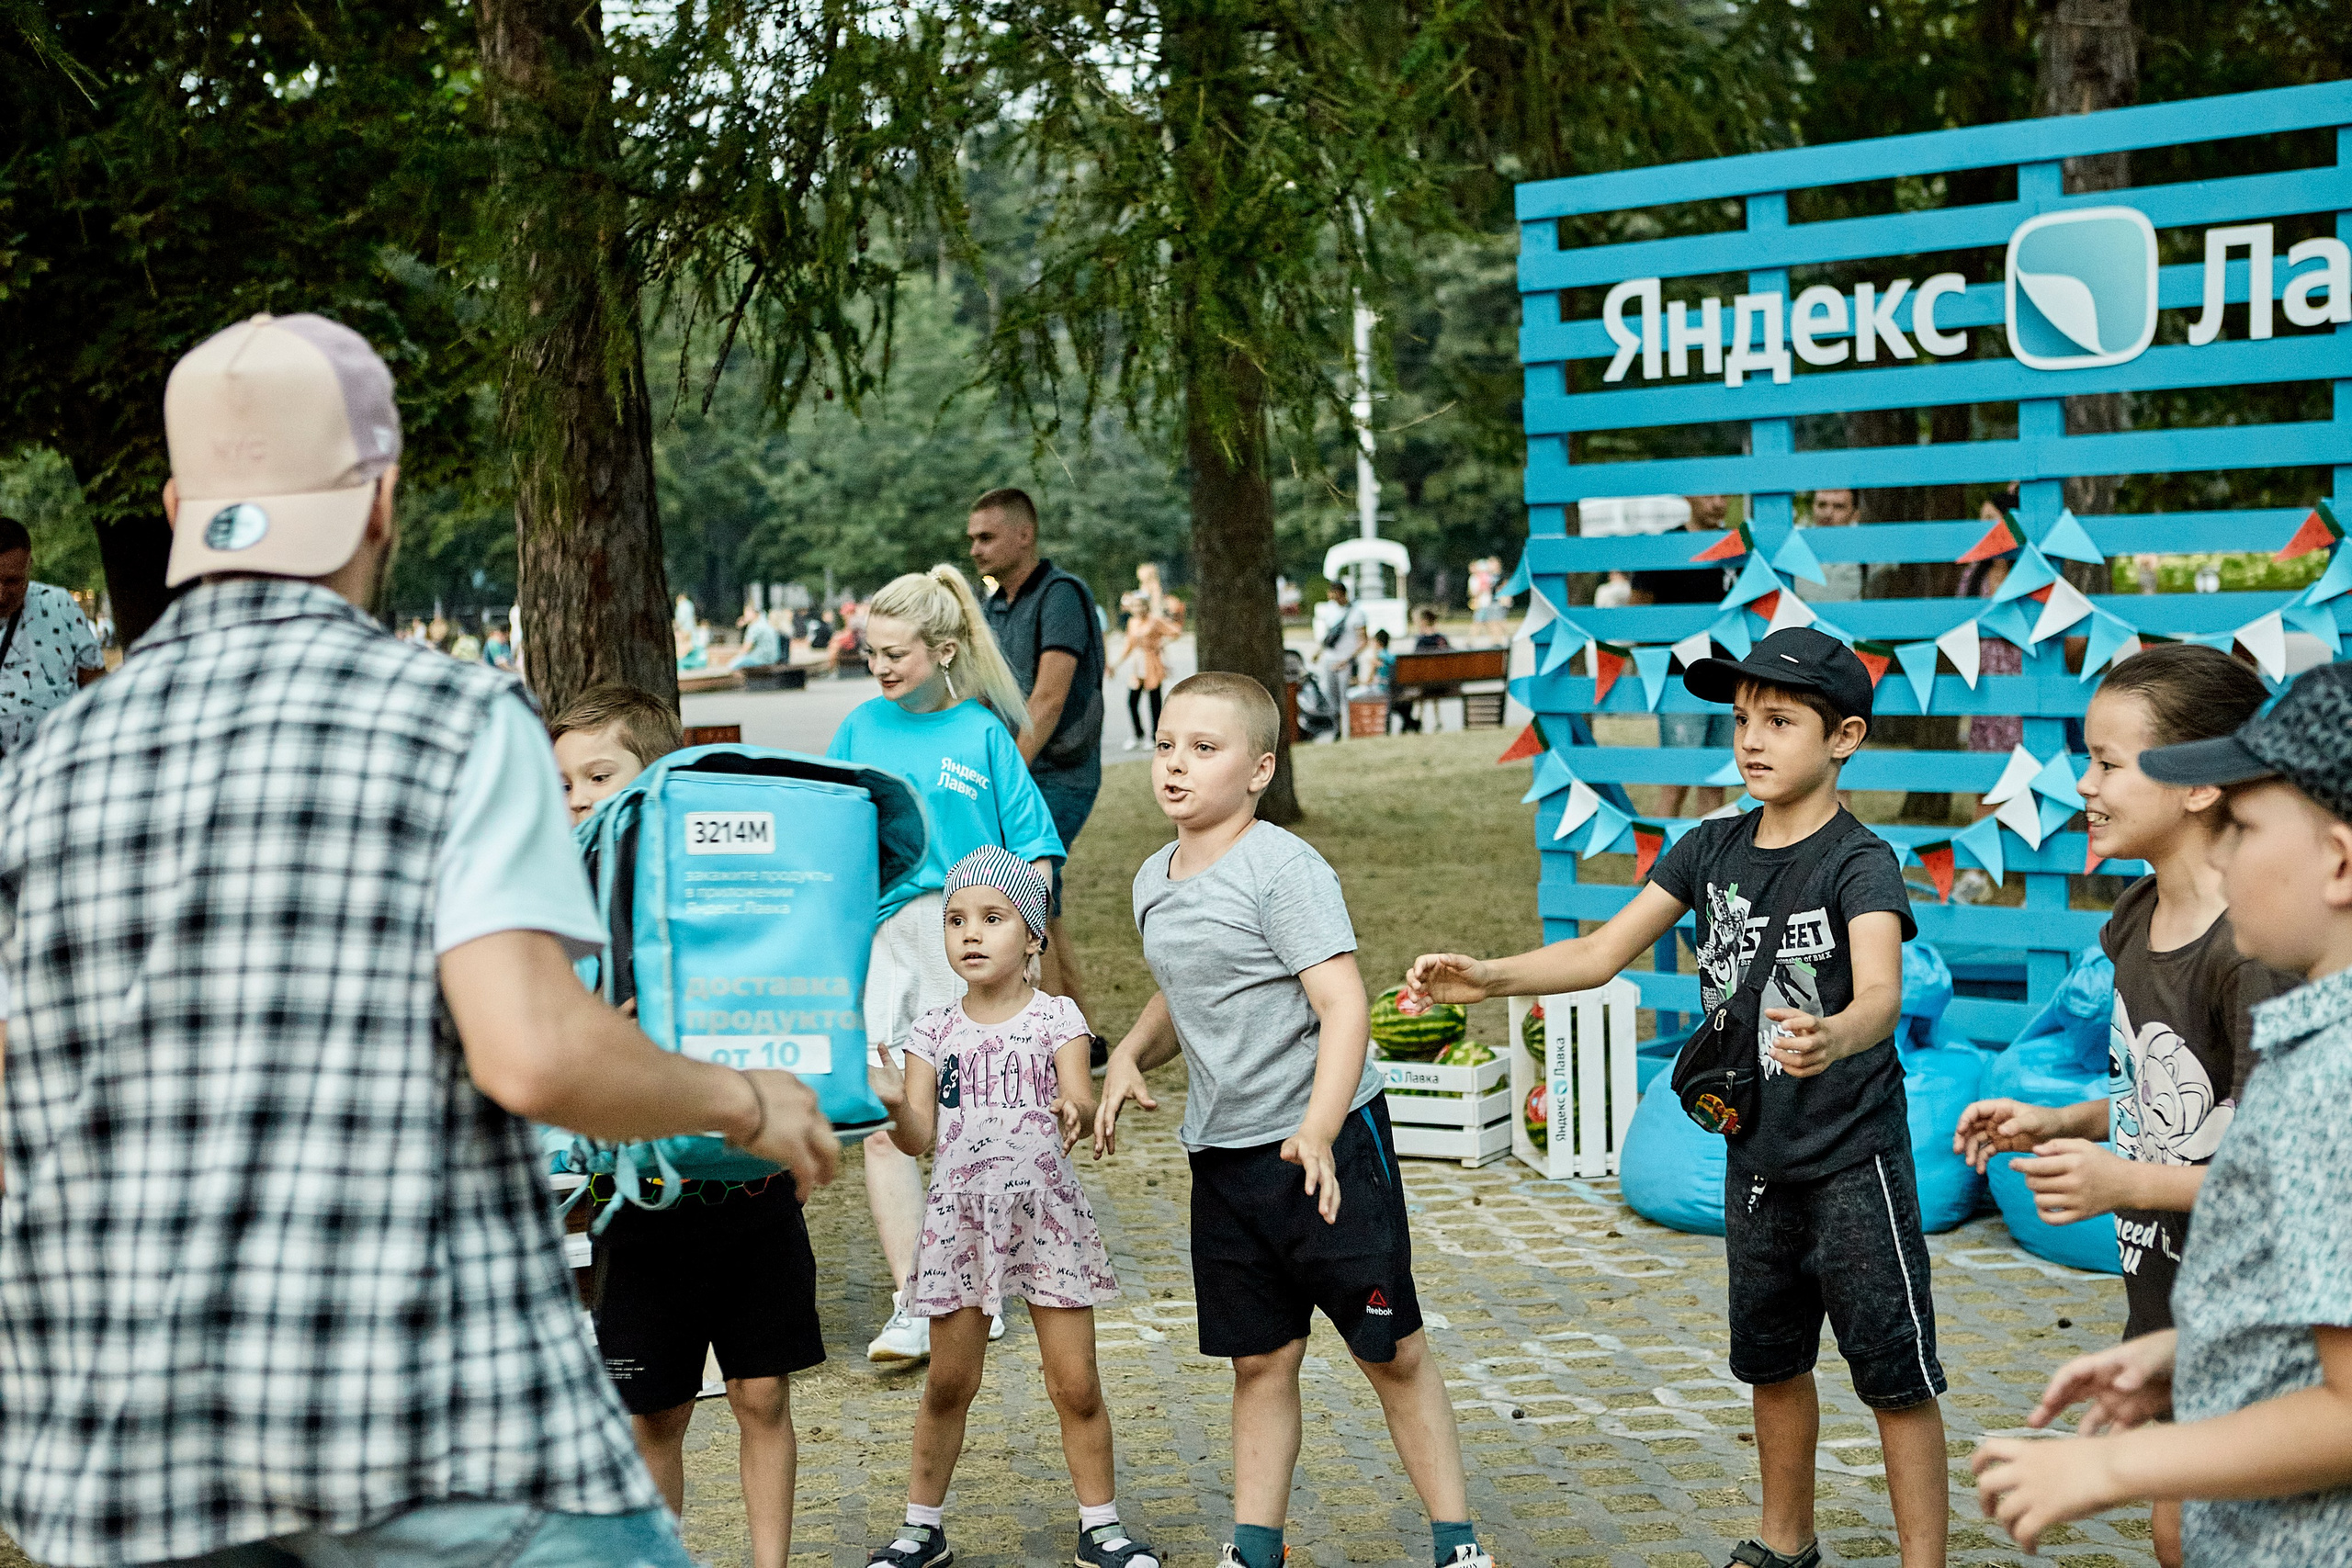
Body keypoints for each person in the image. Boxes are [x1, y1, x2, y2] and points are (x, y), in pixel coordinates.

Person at [0, 310, 838, 1568]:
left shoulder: (54, 759)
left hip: (124, 1448)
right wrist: (744, 1100)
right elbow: (536, 1048)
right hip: (430, 1424)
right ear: (380, 500)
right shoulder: (448, 715)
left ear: (180, 505)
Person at [1404, 626, 1943, 1568]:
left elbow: (1882, 993)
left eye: (1778, 720)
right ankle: (1784, 1546)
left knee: (1892, 1376)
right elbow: (1599, 951)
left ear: (1844, 736)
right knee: (1770, 1363)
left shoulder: (1861, 863)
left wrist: (1836, 1034)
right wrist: (1487, 978)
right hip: (1756, 1159)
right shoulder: (1707, 846)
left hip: (1854, 1157)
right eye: (1740, 720)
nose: (1751, 739)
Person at [1094, 672, 1491, 1568]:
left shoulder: (1284, 869)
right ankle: (1254, 1549)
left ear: (1259, 768)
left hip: (1328, 1149)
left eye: (1204, 749)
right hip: (1224, 1164)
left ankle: (1459, 1545)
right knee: (1260, 1362)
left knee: (1389, 1352)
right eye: (1165, 745)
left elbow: (1343, 1005)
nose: (1175, 766)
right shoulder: (1152, 880)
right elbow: (1187, 986)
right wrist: (1127, 1053)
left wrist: (1316, 1127)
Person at [1972, 660, 2352, 1563]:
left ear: (2338, 862)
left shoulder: (2326, 1080)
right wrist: (2185, 1351)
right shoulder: (2316, 1051)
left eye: (2245, 828)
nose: (2219, 854)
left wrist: (2108, 1471)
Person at [548, 683, 821, 1568]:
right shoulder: (560, 900)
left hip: (750, 1184)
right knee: (652, 1408)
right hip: (638, 1199)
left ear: (658, 776)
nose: (582, 796)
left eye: (601, 773)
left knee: (761, 1393)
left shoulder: (724, 886)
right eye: (564, 782)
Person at [867, 849, 1148, 1568]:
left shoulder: (1060, 1016)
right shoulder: (932, 1028)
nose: (970, 933)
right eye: (957, 919)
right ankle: (921, 1527)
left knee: (1076, 1383)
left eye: (993, 918)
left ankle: (1101, 1526)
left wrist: (1077, 1106)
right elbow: (921, 1136)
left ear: (1032, 937)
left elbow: (1077, 1096)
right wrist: (897, 1101)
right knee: (948, 1383)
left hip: (1046, 1220)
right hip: (959, 1225)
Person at [827, 565, 1067, 1366]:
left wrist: (1012, 943)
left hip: (964, 943)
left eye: (898, 653)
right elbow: (829, 837)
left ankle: (979, 1290)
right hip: (883, 945)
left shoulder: (984, 735)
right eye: (871, 653)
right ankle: (913, 1299)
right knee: (886, 1125)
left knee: (969, 1127)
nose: (882, 667)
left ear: (947, 649)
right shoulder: (859, 729)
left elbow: (1036, 853)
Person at [968, 488, 1107, 1052]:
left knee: (1025, 892)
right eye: (972, 538)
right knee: (1038, 898)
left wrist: (1008, 777)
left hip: (1057, 773)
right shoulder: (993, 605)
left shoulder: (1061, 596)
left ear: (1023, 536)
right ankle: (1080, 1034)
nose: (974, 549)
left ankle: (1054, 1038)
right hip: (1016, 772)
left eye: (986, 537)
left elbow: (1048, 700)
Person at [1630, 494, 1736, 818]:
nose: (1717, 503)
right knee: (1676, 782)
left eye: (1723, 496)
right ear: (1689, 497)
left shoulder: (1735, 547)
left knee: (1716, 781)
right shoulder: (1667, 545)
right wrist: (1651, 662)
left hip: (1730, 678)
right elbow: (1638, 607)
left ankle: (1707, 864)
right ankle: (1655, 862)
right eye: (1709, 495)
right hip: (1680, 681)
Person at [0, 514, 103, 760]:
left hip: (57, 764)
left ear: (29, 566)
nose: (1, 594)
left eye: (12, 581)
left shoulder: (58, 604)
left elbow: (96, 684)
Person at [1116, 589, 1179, 751]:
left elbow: (1175, 632)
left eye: (1141, 605)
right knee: (1132, 702)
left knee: (1154, 703)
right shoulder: (1132, 623)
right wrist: (1115, 664)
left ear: (1146, 606)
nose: (1138, 609)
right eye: (1135, 606)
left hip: (1152, 664)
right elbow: (1129, 645)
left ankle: (1154, 737)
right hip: (1138, 666)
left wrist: (1161, 644)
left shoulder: (1154, 621)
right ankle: (1138, 734)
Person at [1313, 581, 1368, 742]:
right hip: (1330, 659)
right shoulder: (1330, 611)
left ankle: (1350, 730)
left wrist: (1348, 659)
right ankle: (1336, 729)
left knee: (1347, 697)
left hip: (1346, 661)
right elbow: (1328, 636)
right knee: (1331, 697)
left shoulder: (1356, 613)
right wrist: (1319, 651)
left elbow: (1363, 640)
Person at [1797, 489, 1866, 604]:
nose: (1828, 513)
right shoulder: (1795, 552)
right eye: (1822, 505)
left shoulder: (1868, 557)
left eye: (1839, 506)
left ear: (1855, 515)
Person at [732, 604, 786, 671]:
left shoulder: (755, 626)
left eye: (747, 612)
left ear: (754, 612)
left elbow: (746, 648)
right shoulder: (766, 622)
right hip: (772, 659)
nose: (745, 615)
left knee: (732, 666)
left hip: (761, 659)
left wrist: (735, 658)